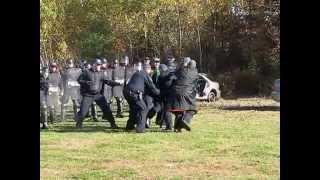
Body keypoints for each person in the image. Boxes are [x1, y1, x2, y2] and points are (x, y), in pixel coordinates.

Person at [75, 59, 121, 129]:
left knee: (106, 109)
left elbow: (108, 81)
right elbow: (79, 80)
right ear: (94, 65)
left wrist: (118, 84)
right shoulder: (86, 72)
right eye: (98, 65)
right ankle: (79, 124)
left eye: (100, 65)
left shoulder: (101, 73)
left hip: (98, 95)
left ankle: (113, 124)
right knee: (83, 111)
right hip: (88, 95)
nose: (99, 66)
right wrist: (85, 82)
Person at [123, 63, 160, 133]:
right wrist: (159, 93)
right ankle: (140, 128)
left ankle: (129, 126)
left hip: (126, 92)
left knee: (134, 109)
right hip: (134, 93)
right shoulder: (144, 74)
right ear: (148, 69)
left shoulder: (136, 73)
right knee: (144, 108)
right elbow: (151, 87)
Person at [167, 57, 198, 132]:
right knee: (192, 109)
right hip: (186, 93)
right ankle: (185, 120)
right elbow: (195, 84)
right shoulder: (195, 72)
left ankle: (177, 128)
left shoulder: (180, 70)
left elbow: (173, 76)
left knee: (179, 110)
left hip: (175, 92)